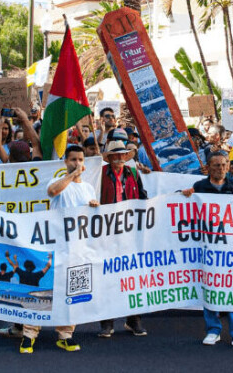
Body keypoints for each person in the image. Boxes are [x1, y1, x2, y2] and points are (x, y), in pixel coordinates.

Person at [18, 144, 99, 354]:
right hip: (55, 246)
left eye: (81, 160)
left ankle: (65, 335)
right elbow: (52, 191)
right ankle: (29, 335)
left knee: (72, 291)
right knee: (43, 290)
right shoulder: (59, 181)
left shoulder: (88, 188)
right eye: (73, 159)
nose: (77, 163)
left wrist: (94, 206)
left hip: (77, 248)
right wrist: (71, 176)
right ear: (66, 162)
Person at [181, 152, 233, 350]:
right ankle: (213, 330)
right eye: (216, 165)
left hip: (230, 249)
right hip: (208, 248)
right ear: (209, 167)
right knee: (210, 288)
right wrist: (186, 196)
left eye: (224, 165)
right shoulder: (199, 187)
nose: (221, 169)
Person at [97, 140, 148, 338]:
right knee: (107, 276)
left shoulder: (134, 173)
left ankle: (134, 320)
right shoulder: (100, 174)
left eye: (122, 154)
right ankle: (107, 322)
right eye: (115, 155)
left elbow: (142, 197)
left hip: (130, 232)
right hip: (107, 232)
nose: (119, 158)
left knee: (133, 277)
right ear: (109, 157)